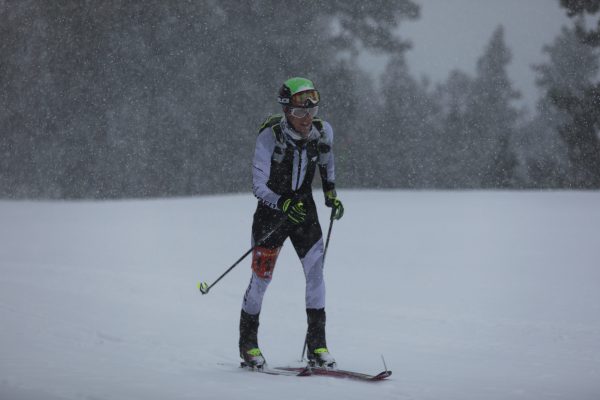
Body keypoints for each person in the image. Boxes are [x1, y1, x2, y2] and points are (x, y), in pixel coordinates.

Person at [239, 77, 344, 369]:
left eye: (312, 111)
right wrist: (282, 203)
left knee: (316, 274)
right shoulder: (270, 136)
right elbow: (258, 186)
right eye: (299, 112)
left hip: (304, 211)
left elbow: (327, 162)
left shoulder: (323, 132)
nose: (306, 118)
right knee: (261, 280)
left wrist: (331, 194)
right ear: (286, 111)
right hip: (271, 214)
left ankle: (318, 346)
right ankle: (248, 346)